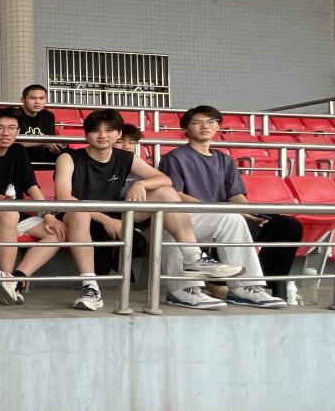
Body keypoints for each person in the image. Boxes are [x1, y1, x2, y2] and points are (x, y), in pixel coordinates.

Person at [55, 108, 242, 312]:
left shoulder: (125, 157)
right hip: (77, 215)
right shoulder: (69, 158)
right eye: (95, 131)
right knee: (80, 214)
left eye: (109, 130)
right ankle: (90, 288)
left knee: (165, 192)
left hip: (115, 213)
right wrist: (106, 220)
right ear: (86, 135)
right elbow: (64, 197)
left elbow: (165, 179)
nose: (102, 135)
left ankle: (193, 257)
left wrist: (141, 184)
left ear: (118, 133)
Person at [158, 105, 292, 308]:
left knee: (283, 224)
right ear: (185, 129)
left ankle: (246, 288)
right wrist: (216, 208)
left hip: (217, 216)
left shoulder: (224, 159)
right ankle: (184, 290)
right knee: (219, 218)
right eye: (197, 122)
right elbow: (174, 195)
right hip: (187, 214)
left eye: (211, 122)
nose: (204, 126)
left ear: (218, 126)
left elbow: (235, 194)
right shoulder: (175, 157)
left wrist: (249, 212)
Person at [0, 107, 68, 305]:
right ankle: (5, 280)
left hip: (14, 214)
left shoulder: (19, 152)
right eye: (0, 128)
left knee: (57, 231)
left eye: (12, 128)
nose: (6, 133)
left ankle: (17, 278)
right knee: (9, 213)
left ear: (18, 131)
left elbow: (32, 187)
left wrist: (49, 215)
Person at [15, 84, 64, 169]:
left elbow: (49, 139)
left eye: (41, 98)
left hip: (43, 152)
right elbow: (13, 142)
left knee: (67, 153)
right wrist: (43, 142)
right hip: (22, 153)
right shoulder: (15, 115)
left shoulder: (48, 115)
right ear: (23, 100)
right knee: (37, 150)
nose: (37, 102)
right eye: (32, 98)